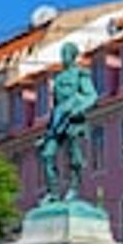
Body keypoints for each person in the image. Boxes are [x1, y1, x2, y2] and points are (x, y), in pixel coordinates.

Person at [36, 42, 98, 203]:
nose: (63, 57)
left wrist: (79, 109)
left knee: (74, 156)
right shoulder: (59, 78)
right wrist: (48, 132)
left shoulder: (80, 74)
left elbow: (92, 96)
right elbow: (56, 106)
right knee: (47, 155)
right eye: (62, 54)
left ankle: (74, 188)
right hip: (57, 121)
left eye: (66, 54)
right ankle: (53, 192)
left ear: (73, 56)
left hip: (73, 120)